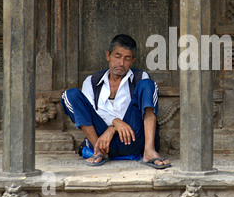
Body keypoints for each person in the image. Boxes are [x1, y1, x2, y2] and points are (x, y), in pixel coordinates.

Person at [61, 34, 171, 169]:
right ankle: (99, 151)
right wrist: (115, 123)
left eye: (127, 58)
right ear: (108, 56)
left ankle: (149, 151)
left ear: (132, 61)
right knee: (69, 95)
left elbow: (141, 109)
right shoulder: (91, 81)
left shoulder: (140, 77)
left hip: (133, 139)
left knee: (148, 85)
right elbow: (89, 113)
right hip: (101, 140)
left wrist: (113, 128)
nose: (121, 63)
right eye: (117, 57)